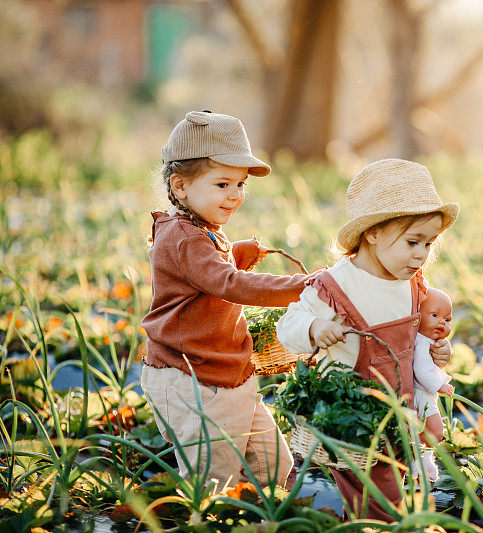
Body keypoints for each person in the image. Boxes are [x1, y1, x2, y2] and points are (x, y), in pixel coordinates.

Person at [277, 158, 458, 521]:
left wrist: (438, 351)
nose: (421, 254)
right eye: (412, 241)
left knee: (390, 485)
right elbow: (288, 325)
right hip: (350, 419)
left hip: (398, 412)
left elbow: (416, 340)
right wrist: (314, 328)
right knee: (370, 499)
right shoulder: (337, 285)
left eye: (429, 243)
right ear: (373, 232)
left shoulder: (412, 283)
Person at [140, 110, 307, 490]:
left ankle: (262, 517)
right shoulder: (183, 236)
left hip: (229, 373)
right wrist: (301, 286)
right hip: (195, 380)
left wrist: (239, 252)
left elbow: (205, 274)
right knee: (214, 481)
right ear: (180, 186)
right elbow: (227, 283)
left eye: (241, 184)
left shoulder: (200, 228)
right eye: (222, 184)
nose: (235, 195)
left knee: (274, 466)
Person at [410, 287, 455, 482]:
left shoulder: (429, 341)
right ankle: (416, 455)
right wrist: (440, 386)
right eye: (435, 315)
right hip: (422, 392)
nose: (441, 323)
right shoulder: (420, 344)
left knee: (430, 431)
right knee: (435, 431)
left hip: (427, 393)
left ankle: (422, 458)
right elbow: (420, 371)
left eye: (447, 319)